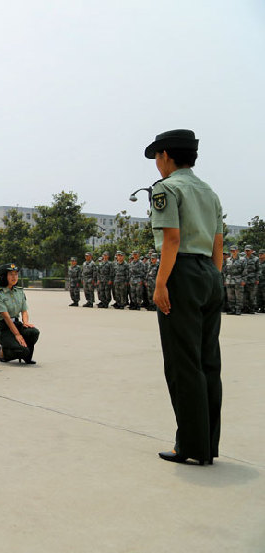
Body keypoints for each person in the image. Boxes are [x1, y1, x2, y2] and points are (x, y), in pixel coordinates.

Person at [145, 129, 223, 466]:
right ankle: (207, 444)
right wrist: (214, 278)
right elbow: (218, 243)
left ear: (166, 156)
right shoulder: (209, 192)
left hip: (182, 275)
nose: (157, 167)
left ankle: (189, 445)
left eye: (157, 159)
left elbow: (172, 239)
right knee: (208, 362)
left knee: (183, 363)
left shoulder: (167, 188)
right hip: (209, 273)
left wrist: (162, 284)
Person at [0, 263, 39, 364]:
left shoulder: (19, 291)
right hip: (4, 327)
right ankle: (4, 353)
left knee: (33, 332)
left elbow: (24, 310)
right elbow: (6, 317)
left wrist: (25, 322)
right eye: (11, 274)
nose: (14, 277)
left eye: (16, 274)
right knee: (22, 350)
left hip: (17, 324)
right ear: (4, 276)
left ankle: (27, 357)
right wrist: (17, 334)